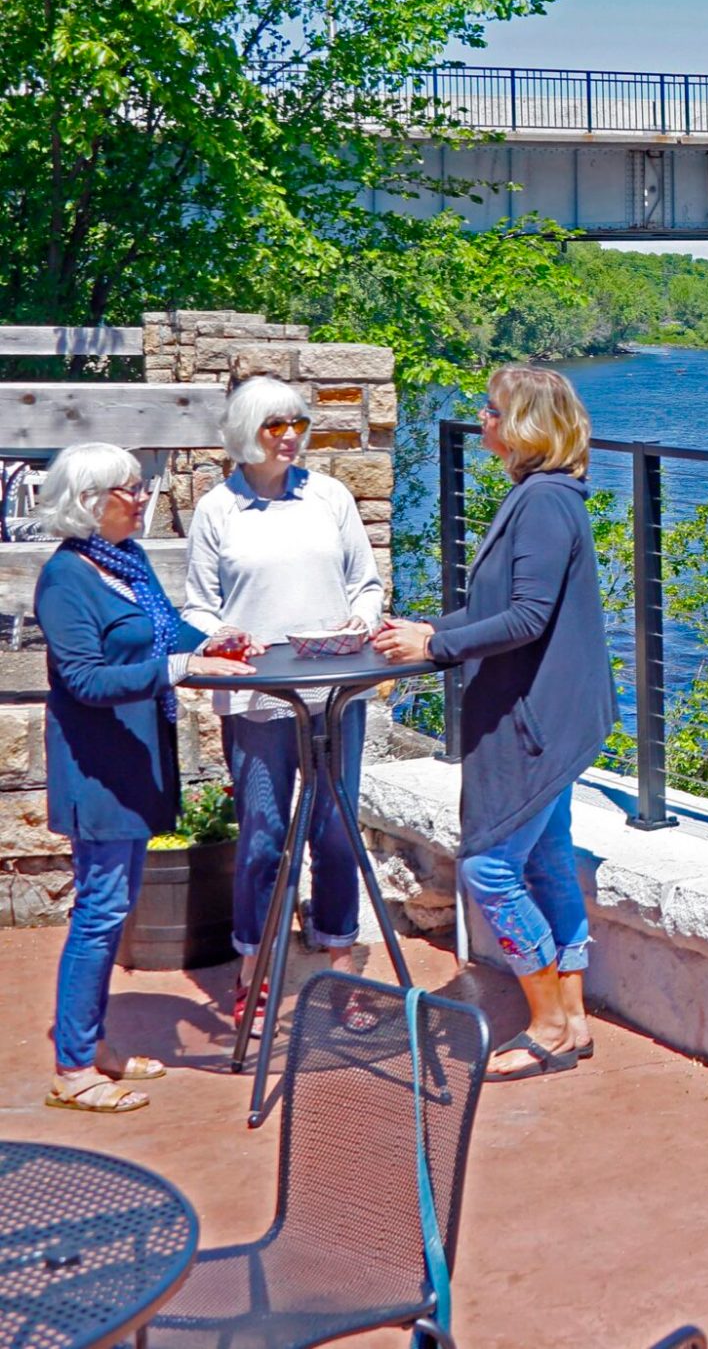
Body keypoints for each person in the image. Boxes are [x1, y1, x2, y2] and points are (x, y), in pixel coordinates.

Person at [374, 367, 614, 1081]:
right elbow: (500, 608)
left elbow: (527, 619)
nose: (481, 419)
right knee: (543, 861)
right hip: (552, 715)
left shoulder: (541, 503)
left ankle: (544, 1024)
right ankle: (571, 1020)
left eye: (492, 410)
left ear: (524, 427)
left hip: (534, 720)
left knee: (489, 868)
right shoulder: (544, 496)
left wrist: (436, 648)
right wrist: (428, 629)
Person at [34, 443, 256, 1113]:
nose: (142, 499)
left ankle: (93, 1045)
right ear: (89, 502)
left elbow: (165, 636)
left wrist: (211, 644)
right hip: (96, 770)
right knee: (100, 913)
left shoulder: (124, 562)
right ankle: (73, 1070)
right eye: (128, 490)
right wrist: (180, 672)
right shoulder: (65, 579)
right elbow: (83, 680)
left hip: (133, 764)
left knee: (113, 906)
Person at [185, 376, 385, 1026]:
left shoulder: (330, 497)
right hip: (256, 698)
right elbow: (198, 605)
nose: (291, 436)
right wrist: (217, 635)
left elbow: (367, 584)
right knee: (264, 838)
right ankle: (255, 971)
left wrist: (360, 621)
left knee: (335, 830)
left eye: (297, 422)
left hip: (334, 692)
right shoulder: (218, 509)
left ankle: (339, 967)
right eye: (275, 425)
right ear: (247, 432)